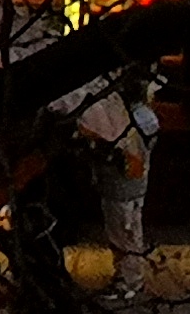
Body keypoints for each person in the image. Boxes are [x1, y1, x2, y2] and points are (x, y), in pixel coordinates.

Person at [69, 65, 160, 270]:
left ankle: (128, 281)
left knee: (123, 235)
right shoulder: (144, 115)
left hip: (122, 186)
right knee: (127, 233)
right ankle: (128, 277)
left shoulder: (126, 118)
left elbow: (121, 150)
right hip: (131, 185)